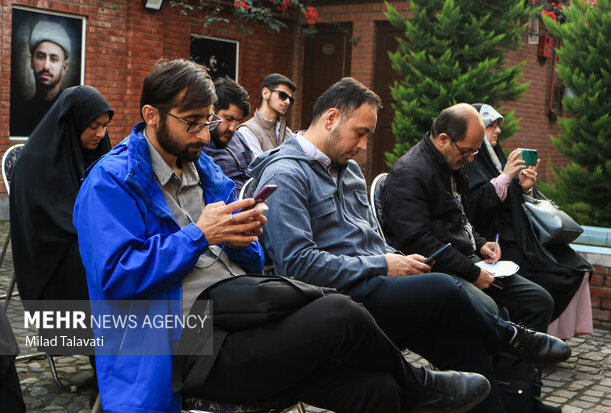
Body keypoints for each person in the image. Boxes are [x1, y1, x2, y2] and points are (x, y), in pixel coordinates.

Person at [73, 59, 491, 413]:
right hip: (181, 344)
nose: (205, 134)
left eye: (210, 121)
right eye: (193, 123)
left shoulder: (203, 169)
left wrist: (246, 234)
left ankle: (417, 389)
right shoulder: (111, 182)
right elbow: (116, 278)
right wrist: (199, 236)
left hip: (243, 314)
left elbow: (250, 259)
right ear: (151, 116)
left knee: (376, 391)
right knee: (340, 313)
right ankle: (423, 386)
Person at [250, 77, 571, 413]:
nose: (363, 145)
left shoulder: (349, 171)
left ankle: (516, 405)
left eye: (368, 136)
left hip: (377, 289)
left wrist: (398, 261)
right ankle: (510, 336)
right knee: (442, 288)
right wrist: (386, 265)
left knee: (467, 348)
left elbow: (373, 240)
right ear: (331, 119)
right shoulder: (286, 175)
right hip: (334, 302)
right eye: (360, 132)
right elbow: (297, 265)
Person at [381, 103, 554, 335]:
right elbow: (418, 241)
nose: (471, 159)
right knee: (489, 309)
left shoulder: (452, 164)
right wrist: (473, 273)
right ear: (443, 139)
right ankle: (493, 367)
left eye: (475, 151)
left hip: (466, 260)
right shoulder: (410, 173)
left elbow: (461, 220)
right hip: (437, 270)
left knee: (539, 300)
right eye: (467, 152)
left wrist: (482, 244)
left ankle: (517, 368)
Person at [463, 103, 594, 337]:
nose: (498, 131)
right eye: (491, 126)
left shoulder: (496, 159)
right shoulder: (468, 163)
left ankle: (553, 335)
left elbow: (509, 201)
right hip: (493, 245)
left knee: (577, 265)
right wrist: (505, 178)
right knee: (558, 274)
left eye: (498, 125)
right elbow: (475, 208)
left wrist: (525, 188)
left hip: (518, 238)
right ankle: (536, 337)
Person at [10, 85, 113, 304]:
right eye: (94, 126)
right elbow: (41, 225)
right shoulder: (35, 163)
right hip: (53, 261)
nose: (101, 134)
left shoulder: (98, 153)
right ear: (73, 122)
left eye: (105, 126)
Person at [10, 20, 72, 137]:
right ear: (31, 62)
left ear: (64, 67)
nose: (46, 66)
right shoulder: (19, 112)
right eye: (41, 56)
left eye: (53, 59)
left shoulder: (71, 112)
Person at [202, 77, 254, 195]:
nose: (232, 128)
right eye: (229, 119)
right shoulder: (200, 145)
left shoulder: (239, 137)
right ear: (212, 111)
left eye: (238, 121)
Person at [237, 73, 296, 157]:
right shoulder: (247, 131)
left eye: (290, 99)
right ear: (265, 93)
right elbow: (258, 167)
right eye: (283, 95)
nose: (287, 102)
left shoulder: (287, 133)